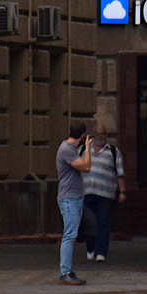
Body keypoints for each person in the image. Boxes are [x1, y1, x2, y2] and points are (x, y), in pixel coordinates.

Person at [82, 123, 127, 263]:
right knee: (89, 223)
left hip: (106, 194)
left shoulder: (113, 152)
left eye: (103, 134)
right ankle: (90, 249)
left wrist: (122, 191)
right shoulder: (83, 150)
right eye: (97, 134)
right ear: (93, 135)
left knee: (102, 223)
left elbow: (120, 173)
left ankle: (101, 252)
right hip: (86, 193)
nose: (100, 137)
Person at [55, 121, 92, 285]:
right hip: (68, 198)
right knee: (69, 235)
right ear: (83, 136)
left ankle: (67, 270)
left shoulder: (70, 149)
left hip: (75, 197)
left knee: (76, 232)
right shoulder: (66, 149)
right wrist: (88, 148)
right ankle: (65, 272)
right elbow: (86, 167)